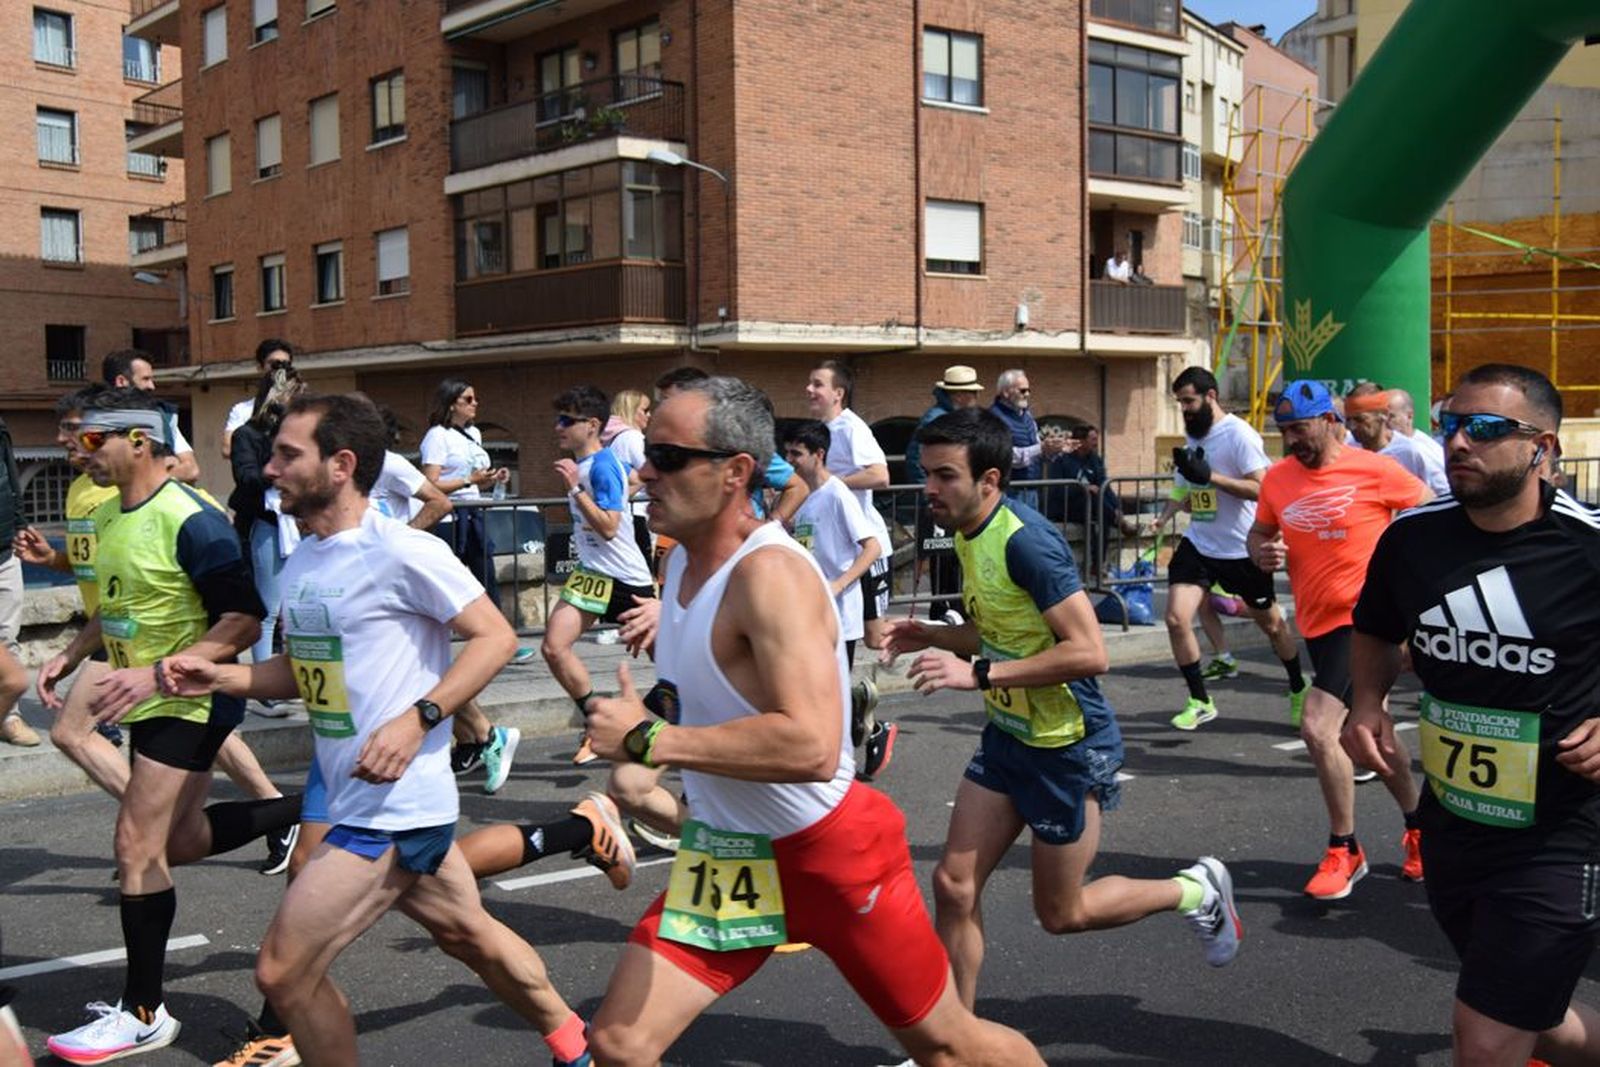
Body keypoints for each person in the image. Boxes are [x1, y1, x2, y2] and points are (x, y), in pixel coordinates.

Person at [579, 375, 1044, 1067]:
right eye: (648, 452)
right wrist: (642, 721)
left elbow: (812, 744)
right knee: (619, 1043)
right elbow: (717, 699)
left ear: (735, 472)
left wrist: (649, 738)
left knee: (949, 1045)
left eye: (667, 457)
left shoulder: (771, 576)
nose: (645, 471)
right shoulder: (679, 565)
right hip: (731, 856)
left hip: (829, 854)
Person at [161, 394, 594, 1067]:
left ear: (340, 464)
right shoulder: (306, 558)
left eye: (286, 454)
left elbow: (494, 635)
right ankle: (578, 1044)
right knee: (467, 933)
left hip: (393, 806)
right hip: (346, 788)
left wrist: (421, 715)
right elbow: (299, 671)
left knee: (282, 970)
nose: (269, 468)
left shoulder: (401, 550)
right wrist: (218, 677)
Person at [881, 408, 1241, 1012]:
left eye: (945, 476)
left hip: (1066, 744)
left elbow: (1089, 652)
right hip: (1008, 735)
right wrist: (932, 634)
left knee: (1062, 913)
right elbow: (1002, 631)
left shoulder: (1027, 544)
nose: (929, 489)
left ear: (989, 480)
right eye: (926, 473)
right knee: (953, 885)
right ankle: (954, 1041)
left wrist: (979, 675)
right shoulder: (970, 533)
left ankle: (1192, 891)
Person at [1345, 364, 1600, 1066]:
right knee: (1529, 1013)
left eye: (1486, 429)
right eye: (1451, 424)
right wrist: (1366, 701)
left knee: (1484, 1035)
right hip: (1453, 818)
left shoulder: (1588, 544)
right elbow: (1373, 626)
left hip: (1562, 828)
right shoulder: (1412, 539)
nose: (1459, 442)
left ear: (1542, 448)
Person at [42, 389, 300, 1065]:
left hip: (187, 699)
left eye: (91, 440)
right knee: (177, 842)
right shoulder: (114, 517)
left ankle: (142, 1011)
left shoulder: (193, 519)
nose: (79, 452)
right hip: (147, 695)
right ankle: (304, 809)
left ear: (137, 438)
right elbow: (119, 607)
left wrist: (157, 673)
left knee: (135, 843)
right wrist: (67, 656)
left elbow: (242, 618)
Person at [1247, 379, 1430, 901]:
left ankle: (1344, 848)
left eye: (1299, 429)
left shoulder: (1376, 470)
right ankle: (1421, 829)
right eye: (1283, 431)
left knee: (1317, 725)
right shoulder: (1279, 479)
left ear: (1331, 420)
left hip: (1369, 621)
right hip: (1319, 623)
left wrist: (1415, 601)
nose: (1291, 441)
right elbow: (1259, 533)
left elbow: (1432, 517)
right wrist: (1261, 552)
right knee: (1368, 738)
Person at [1156, 367, 1309, 731]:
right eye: (1179, 403)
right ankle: (1200, 699)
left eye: (1189, 401)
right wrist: (1164, 517)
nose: (1185, 409)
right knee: (1176, 618)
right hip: (1200, 542)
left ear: (1211, 397)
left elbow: (1263, 489)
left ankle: (1298, 685)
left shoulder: (1239, 435)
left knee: (1272, 627)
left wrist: (1211, 478)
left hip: (1243, 548)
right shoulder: (1192, 436)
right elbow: (1183, 488)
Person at [543, 385, 658, 766]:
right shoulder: (605, 465)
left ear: (591, 426)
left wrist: (576, 488)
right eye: (557, 418)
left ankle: (703, 738)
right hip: (592, 574)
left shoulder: (601, 465)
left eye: (566, 420)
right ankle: (596, 722)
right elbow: (636, 478)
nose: (557, 427)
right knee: (553, 647)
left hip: (627, 578)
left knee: (672, 667)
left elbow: (609, 527)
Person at [782, 419, 897, 781]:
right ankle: (853, 727)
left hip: (839, 614)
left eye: (797, 454)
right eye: (787, 453)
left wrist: (838, 584)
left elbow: (872, 546)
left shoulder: (837, 494)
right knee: (813, 688)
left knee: (823, 694)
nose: (790, 461)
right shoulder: (807, 497)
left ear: (819, 455)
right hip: (810, 611)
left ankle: (839, 763)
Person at [418, 379, 519, 791]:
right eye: (467, 399)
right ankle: (476, 737)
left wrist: (491, 478)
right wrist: (468, 481)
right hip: (450, 520)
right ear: (450, 404)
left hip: (475, 513)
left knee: (481, 585)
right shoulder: (436, 437)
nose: (476, 404)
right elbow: (431, 484)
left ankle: (481, 736)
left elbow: (460, 481)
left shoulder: (472, 434)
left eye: (476, 398)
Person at [805, 361, 893, 650]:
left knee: (875, 638)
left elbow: (880, 475)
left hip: (866, 544)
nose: (809, 389)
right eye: (809, 383)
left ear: (838, 393)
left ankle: (940, 626)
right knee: (838, 633)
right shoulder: (820, 430)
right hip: (836, 548)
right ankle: (847, 692)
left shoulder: (852, 428)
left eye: (818, 384)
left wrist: (833, 483)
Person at [227, 367, 306, 676]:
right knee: (269, 607)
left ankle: (296, 674)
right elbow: (245, 476)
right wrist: (277, 472)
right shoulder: (248, 435)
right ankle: (264, 680)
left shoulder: (297, 436)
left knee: (296, 606)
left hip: (299, 523)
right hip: (267, 523)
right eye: (294, 398)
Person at [906, 366, 983, 623]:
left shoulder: (947, 417)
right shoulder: (937, 420)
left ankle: (951, 609)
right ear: (960, 395)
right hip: (939, 501)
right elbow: (917, 459)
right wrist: (931, 491)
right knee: (942, 556)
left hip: (948, 499)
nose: (975, 398)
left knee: (952, 556)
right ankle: (944, 610)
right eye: (972, 393)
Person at [101, 350, 199, 484]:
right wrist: (165, 465)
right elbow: (107, 472)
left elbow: (190, 470)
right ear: (121, 381)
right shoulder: (95, 420)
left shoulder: (164, 417)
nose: (152, 386)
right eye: (145, 379)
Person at [1345, 383, 1450, 496]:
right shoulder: (1347, 449)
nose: (1351, 426)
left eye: (1360, 419)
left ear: (1384, 415)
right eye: (1348, 420)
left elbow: (1442, 495)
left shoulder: (1410, 452)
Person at [0, 410, 33, 747]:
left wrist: (20, 524)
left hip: (4, 548)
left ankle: (9, 716)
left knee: (8, 636)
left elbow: (10, 476)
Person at [604, 388, 655, 567]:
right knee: (645, 573)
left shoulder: (612, 440)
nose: (649, 415)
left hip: (622, 514)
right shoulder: (633, 438)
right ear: (632, 411)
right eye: (645, 410)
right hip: (638, 514)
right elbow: (651, 471)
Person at [222, 340, 293, 460]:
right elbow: (227, 449)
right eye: (273, 363)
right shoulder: (242, 410)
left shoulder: (302, 406)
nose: (279, 369)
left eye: (285, 364)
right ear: (260, 367)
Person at [990, 369, 1049, 510]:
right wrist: (1041, 448)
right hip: (1010, 491)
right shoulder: (995, 418)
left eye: (1028, 390)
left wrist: (1055, 449)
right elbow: (1005, 456)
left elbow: (1037, 450)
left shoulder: (1028, 417)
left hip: (1031, 490)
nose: (1027, 394)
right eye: (1022, 391)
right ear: (1005, 392)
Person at [1387, 386, 1448, 471]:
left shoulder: (1424, 452)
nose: (1384, 421)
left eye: (1391, 416)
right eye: (1381, 415)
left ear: (1409, 416)